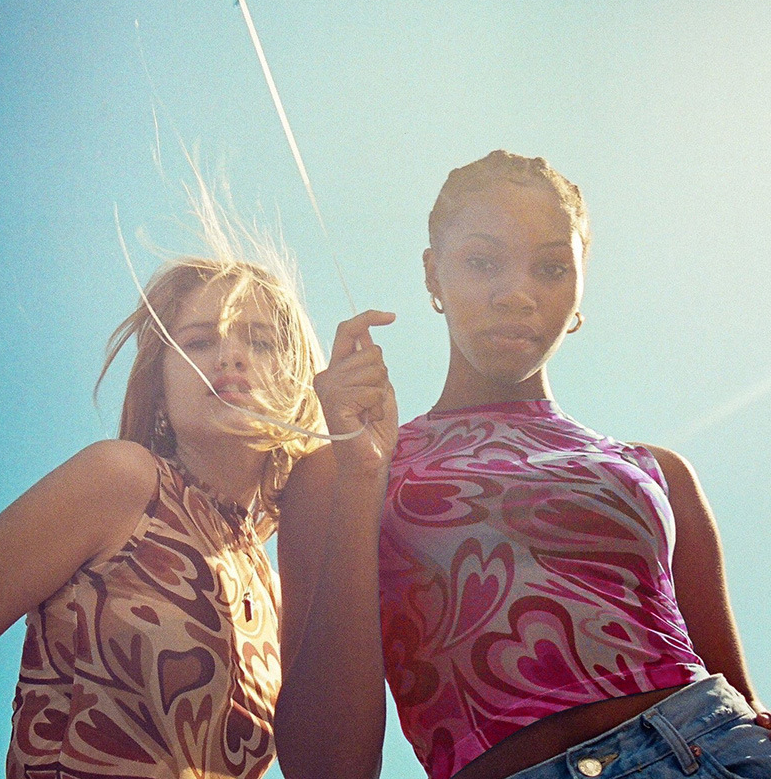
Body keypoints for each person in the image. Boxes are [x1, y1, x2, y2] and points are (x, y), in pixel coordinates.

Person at [273, 150, 770, 779]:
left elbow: (743, 704)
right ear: (433, 274)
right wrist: (363, 477)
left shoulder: (660, 472)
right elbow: (325, 767)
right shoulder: (344, 470)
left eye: (551, 267)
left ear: (580, 285)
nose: (516, 294)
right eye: (483, 262)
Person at [0, 244, 333, 778]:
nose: (231, 356)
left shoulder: (279, 592)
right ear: (159, 391)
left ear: (296, 384)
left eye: (260, 342)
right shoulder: (124, 482)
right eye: (199, 341)